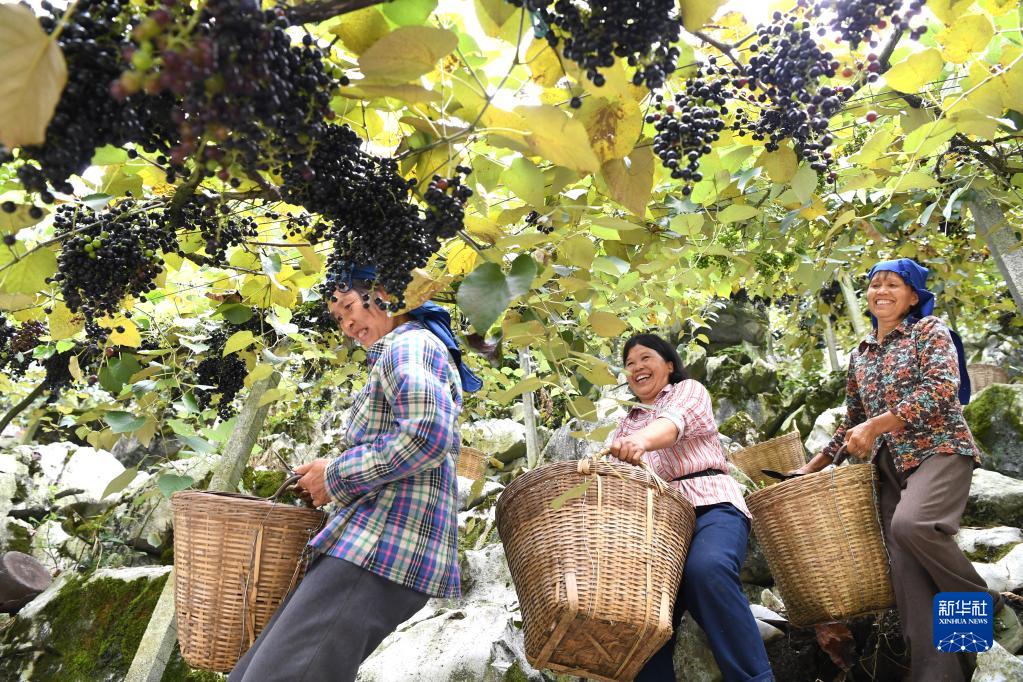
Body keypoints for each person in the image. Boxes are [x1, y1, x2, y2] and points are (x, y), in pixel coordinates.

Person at [229, 264, 482, 682]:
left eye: (349, 307)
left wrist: (334, 475)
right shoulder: (403, 350)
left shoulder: (410, 346)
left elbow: (427, 435)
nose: (347, 325)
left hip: (378, 549)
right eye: (339, 318)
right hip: (368, 547)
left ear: (387, 295)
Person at [791, 258, 1002, 681]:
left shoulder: (929, 331)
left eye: (893, 285)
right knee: (909, 580)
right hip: (888, 467)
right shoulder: (861, 354)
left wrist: (877, 424)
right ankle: (942, 674)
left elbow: (942, 388)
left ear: (912, 297)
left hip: (939, 450)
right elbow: (852, 418)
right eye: (874, 285)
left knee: (913, 525)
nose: (880, 291)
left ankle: (982, 599)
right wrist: (810, 468)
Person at [607, 332, 774, 682]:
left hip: (711, 505)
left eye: (645, 358)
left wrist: (638, 442)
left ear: (669, 364)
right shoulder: (625, 423)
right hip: (659, 530)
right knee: (642, 608)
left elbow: (672, 425)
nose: (637, 367)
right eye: (629, 363)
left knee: (706, 569)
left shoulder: (688, 391)